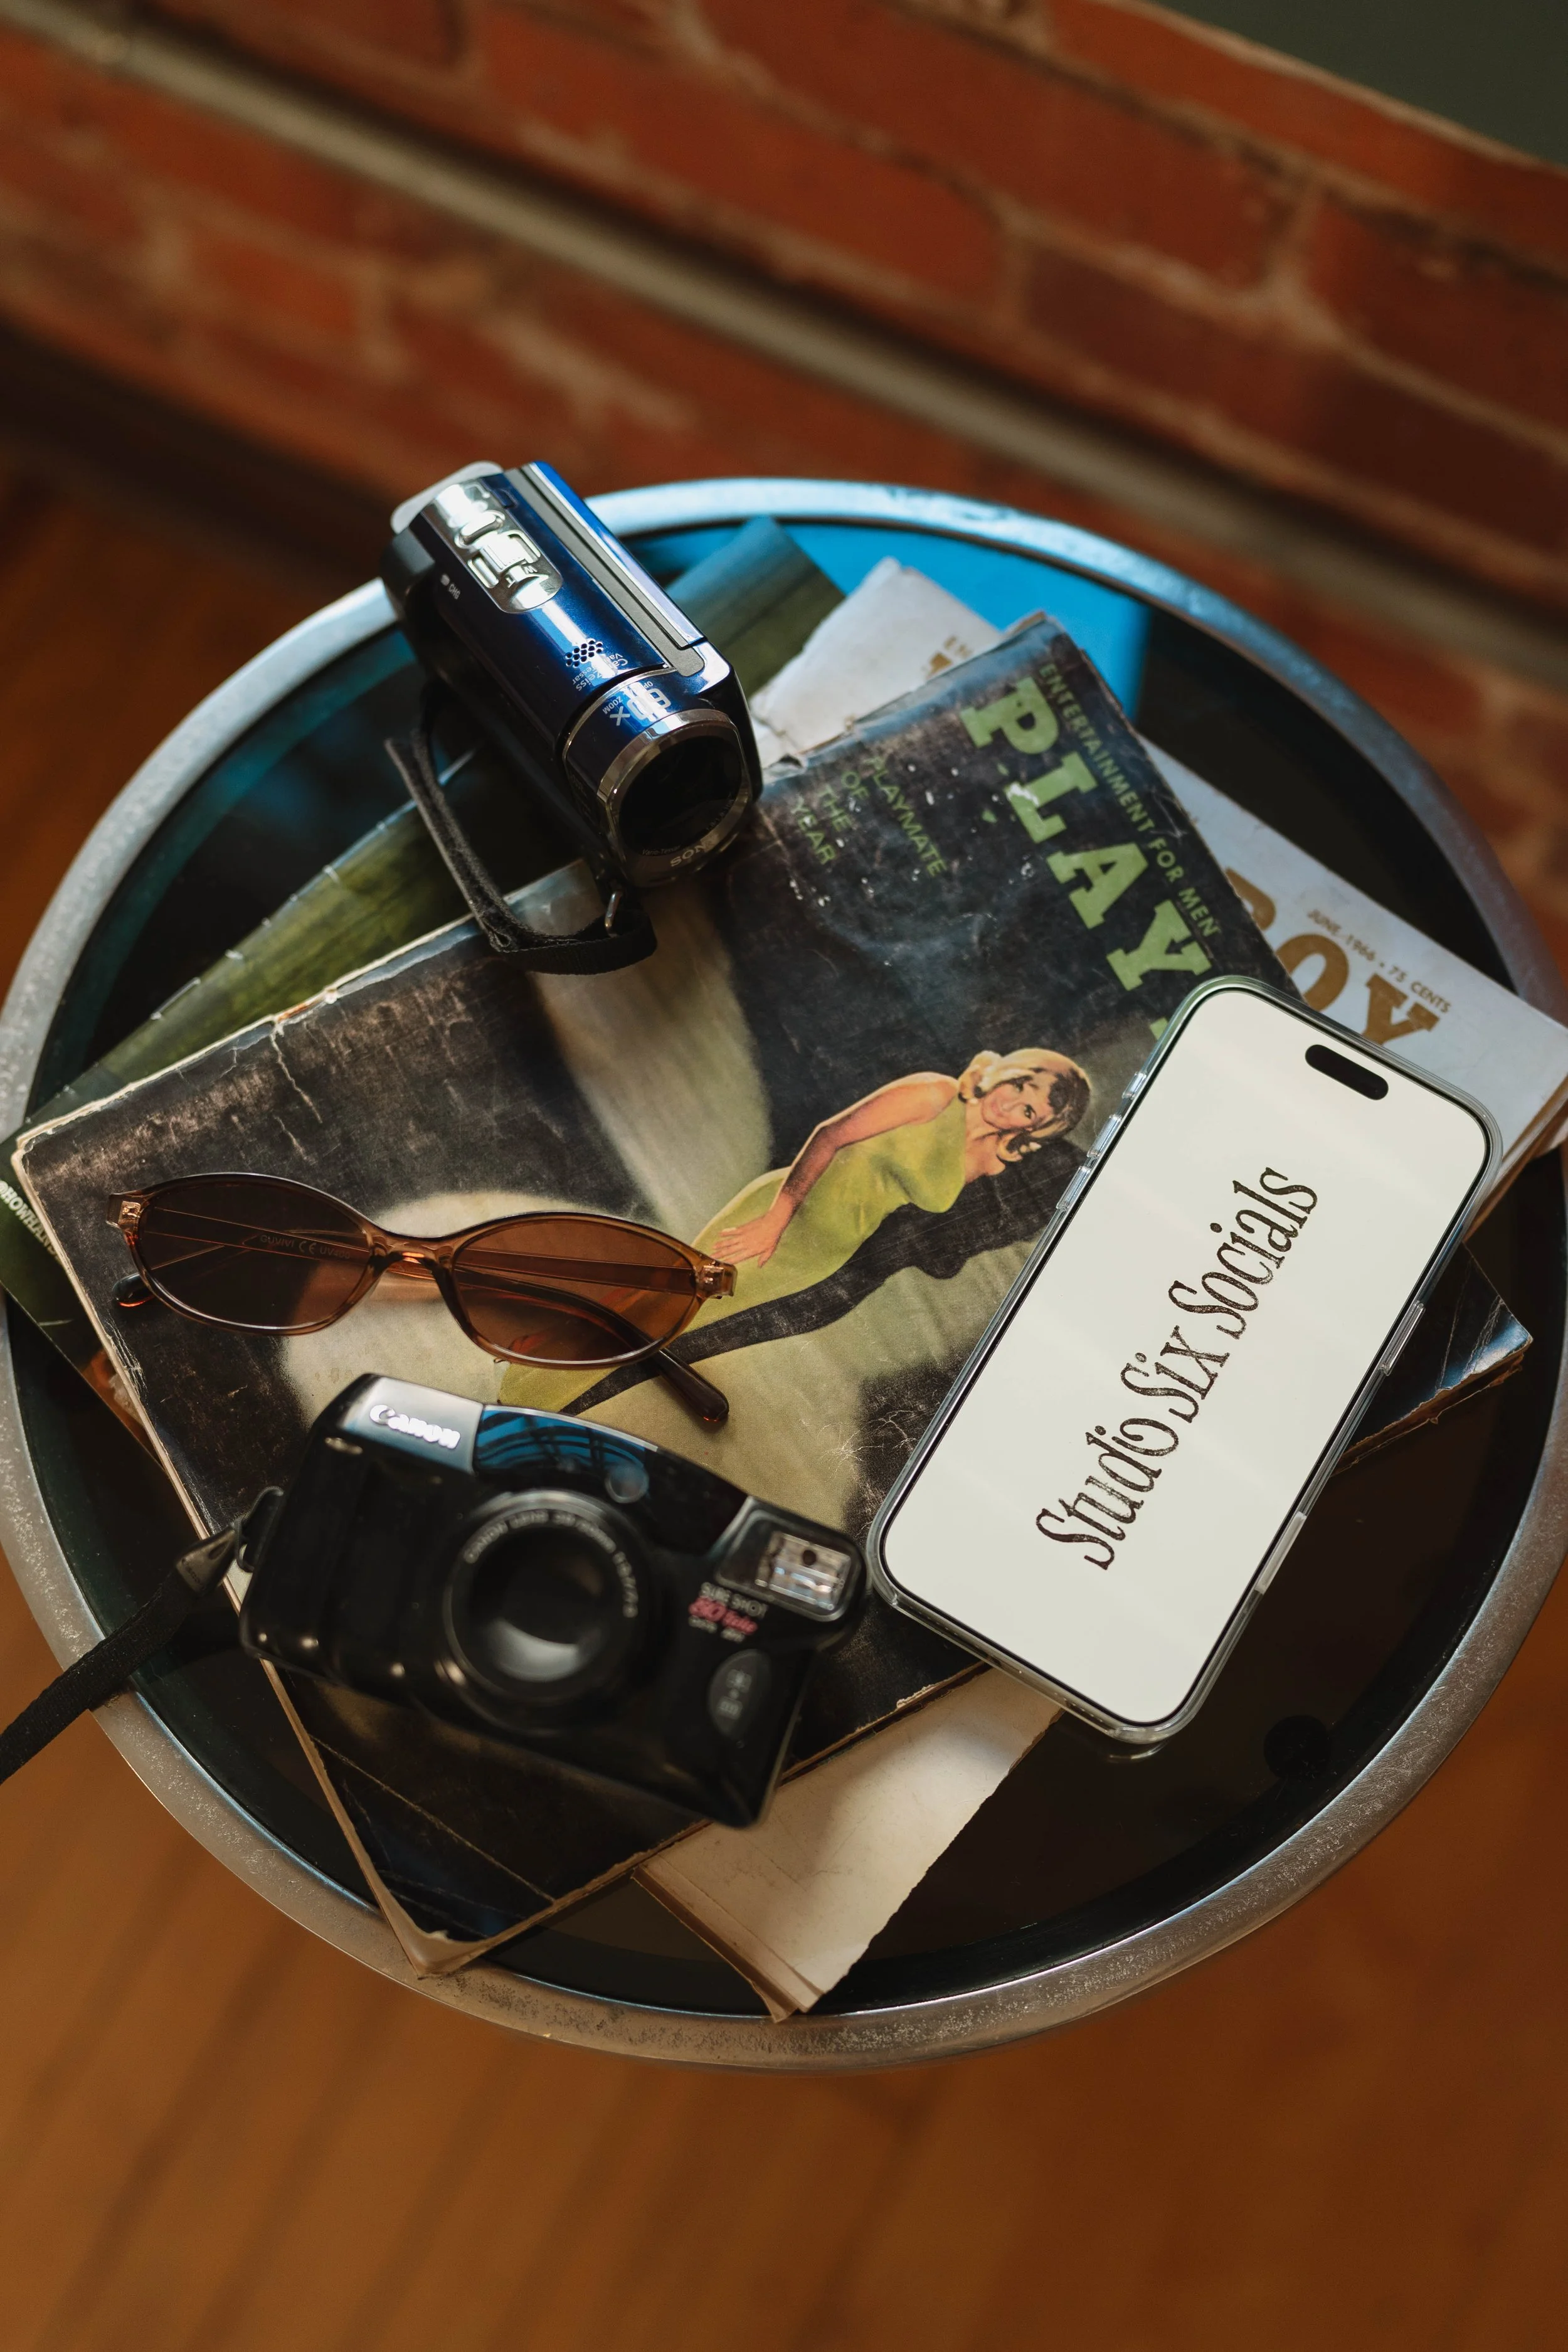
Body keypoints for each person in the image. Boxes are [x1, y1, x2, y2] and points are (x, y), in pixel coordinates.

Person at [692, 1046, 1091, 1320]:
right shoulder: (936, 1094)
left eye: (1026, 1110)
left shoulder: (988, 1161)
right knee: (671, 1291)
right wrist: (773, 1222)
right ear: (1007, 1073)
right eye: (1020, 1085)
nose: (1008, 1104)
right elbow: (830, 1136)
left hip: (824, 1256)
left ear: (1033, 1129)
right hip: (777, 1219)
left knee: (691, 1323)